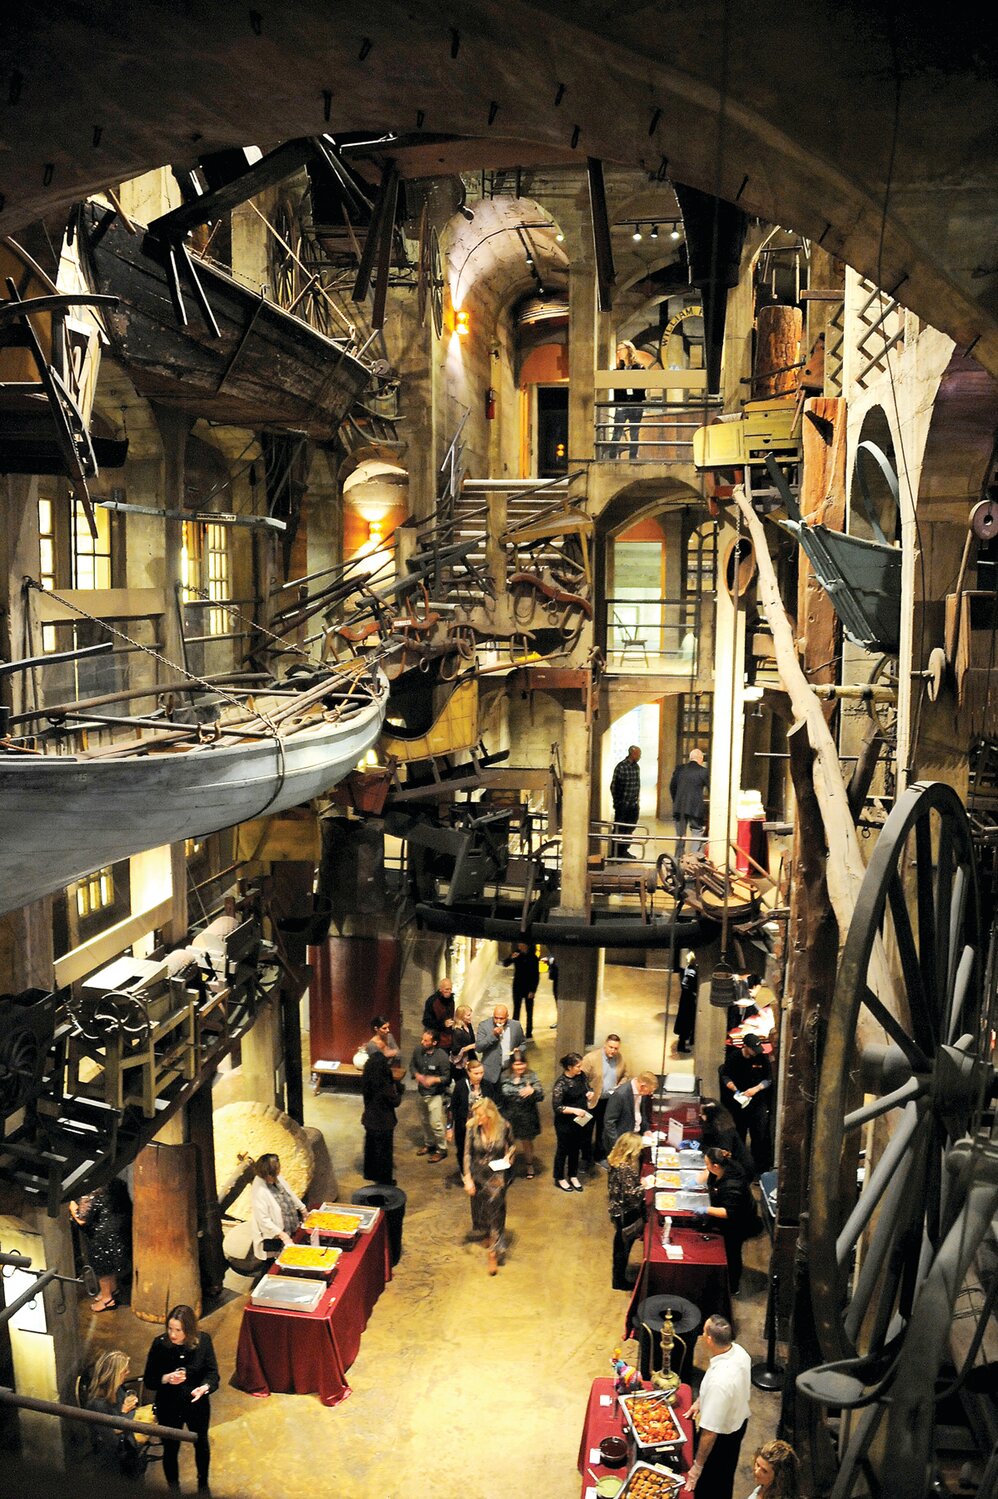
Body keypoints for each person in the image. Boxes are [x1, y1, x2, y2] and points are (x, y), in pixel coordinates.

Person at [143, 1304, 219, 1496]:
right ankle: (173, 1489)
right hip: (169, 1405)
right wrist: (166, 1378)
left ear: (189, 1330)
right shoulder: (159, 1345)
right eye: (170, 1328)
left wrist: (205, 1388)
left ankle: (203, 1486)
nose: (173, 1334)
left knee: (201, 1443)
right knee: (170, 1449)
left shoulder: (203, 1342)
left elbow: (212, 1374)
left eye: (178, 1330)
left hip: (196, 1405)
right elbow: (150, 1380)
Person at [682, 1314, 751, 1499]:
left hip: (721, 1438)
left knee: (711, 1485)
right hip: (739, 1423)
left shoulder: (719, 1383)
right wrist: (701, 1402)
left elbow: (709, 1433)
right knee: (726, 1476)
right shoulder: (739, 1351)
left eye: (704, 1332)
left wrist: (697, 1469)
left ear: (709, 1339)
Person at [697, 1145, 761, 1296]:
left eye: (707, 1164)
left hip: (738, 1223)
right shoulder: (723, 1167)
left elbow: (728, 1212)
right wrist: (695, 1180)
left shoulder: (733, 1184)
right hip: (726, 1215)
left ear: (716, 1166)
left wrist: (705, 1209)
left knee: (732, 1252)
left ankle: (733, 1286)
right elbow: (708, 1174)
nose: (706, 1167)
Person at [462, 1097, 515, 1275]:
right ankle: (486, 1233)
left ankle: (494, 1251)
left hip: (497, 1176)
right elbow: (467, 1154)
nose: (478, 1119)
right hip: (478, 1175)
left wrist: (509, 1157)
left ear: (491, 1115)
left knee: (497, 1212)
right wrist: (468, 1178)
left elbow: (513, 1146)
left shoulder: (504, 1126)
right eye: (476, 1115)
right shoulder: (472, 1128)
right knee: (481, 1211)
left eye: (481, 1116)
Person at [69, 1182, 129, 1311]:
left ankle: (107, 1299)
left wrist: (71, 1204)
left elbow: (82, 1218)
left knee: (102, 1268)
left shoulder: (92, 1192)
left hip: (101, 1235)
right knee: (110, 1264)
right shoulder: (115, 1184)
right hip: (117, 1230)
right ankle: (112, 1289)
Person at [719, 1032, 773, 1173]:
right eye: (753, 1049)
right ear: (746, 1047)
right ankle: (739, 1168)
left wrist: (755, 1089)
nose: (756, 1052)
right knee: (739, 1136)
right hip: (739, 1104)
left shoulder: (762, 1058)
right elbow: (725, 1076)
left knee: (759, 1137)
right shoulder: (734, 1057)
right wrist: (734, 1089)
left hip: (757, 1103)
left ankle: (759, 1170)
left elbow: (768, 1080)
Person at [84, 1348, 142, 1476]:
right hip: (113, 1462)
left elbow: (124, 1421)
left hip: (128, 1449)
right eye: (124, 1371)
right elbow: (111, 1439)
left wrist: (126, 1413)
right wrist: (125, 1412)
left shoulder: (118, 1389)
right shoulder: (97, 1404)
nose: (128, 1372)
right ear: (115, 1374)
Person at [580, 1033, 629, 1171]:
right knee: (586, 1131)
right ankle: (585, 1159)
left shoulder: (620, 1059)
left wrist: (620, 1086)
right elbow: (581, 1078)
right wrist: (587, 1091)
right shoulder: (591, 1058)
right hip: (592, 1102)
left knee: (604, 1131)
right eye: (611, 1047)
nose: (613, 1051)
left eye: (616, 1048)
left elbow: (625, 1074)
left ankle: (600, 1156)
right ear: (605, 1045)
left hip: (609, 1101)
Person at [606, 1132, 646, 1290]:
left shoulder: (615, 1162)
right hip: (625, 1213)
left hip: (617, 1210)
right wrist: (645, 1186)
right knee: (623, 1247)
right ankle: (619, 1281)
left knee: (620, 1245)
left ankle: (619, 1275)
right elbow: (631, 1195)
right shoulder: (625, 1168)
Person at [249, 1152, 306, 1260]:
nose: (278, 1173)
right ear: (266, 1174)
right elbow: (263, 1219)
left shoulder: (277, 1177)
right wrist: (283, 1236)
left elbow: (289, 1193)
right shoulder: (259, 1191)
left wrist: (303, 1209)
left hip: (289, 1226)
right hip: (275, 1235)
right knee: (279, 1261)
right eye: (274, 1172)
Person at [499, 1048, 544, 1178]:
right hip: (509, 1114)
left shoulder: (531, 1076)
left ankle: (529, 1165)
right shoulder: (505, 1076)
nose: (520, 1067)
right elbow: (501, 1094)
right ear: (511, 1065)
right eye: (517, 1064)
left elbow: (541, 1095)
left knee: (526, 1141)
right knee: (508, 1142)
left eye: (522, 1063)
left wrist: (533, 1091)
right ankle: (508, 1166)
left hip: (526, 1115)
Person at [361, 1046, 402, 1185]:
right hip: (384, 1122)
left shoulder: (367, 1081)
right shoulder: (385, 1086)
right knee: (384, 1153)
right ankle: (385, 1180)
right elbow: (395, 1102)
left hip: (369, 1120)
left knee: (371, 1148)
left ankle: (369, 1172)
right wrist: (399, 1092)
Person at [410, 1027, 451, 1162]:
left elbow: (447, 1077)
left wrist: (434, 1079)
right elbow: (412, 1065)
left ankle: (441, 1149)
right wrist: (417, 1075)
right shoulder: (418, 1051)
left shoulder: (442, 1057)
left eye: (426, 1040)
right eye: (423, 1039)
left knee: (436, 1124)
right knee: (424, 1122)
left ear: (434, 1043)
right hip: (421, 1093)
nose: (422, 1042)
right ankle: (429, 1144)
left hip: (435, 1095)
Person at [551, 1052, 590, 1191]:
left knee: (576, 1148)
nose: (580, 1068)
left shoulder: (581, 1076)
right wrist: (574, 1110)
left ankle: (573, 1174)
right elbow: (557, 1107)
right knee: (563, 1149)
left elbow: (587, 1087)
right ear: (569, 1067)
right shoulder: (561, 1084)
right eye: (578, 1066)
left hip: (580, 1119)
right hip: (565, 1123)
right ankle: (560, 1177)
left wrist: (589, 1093)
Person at [475, 1004, 525, 1101]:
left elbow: (523, 1043)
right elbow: (478, 1048)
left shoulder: (516, 1026)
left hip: (509, 1071)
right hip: (491, 1073)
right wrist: (493, 1035)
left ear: (507, 1016)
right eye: (496, 1018)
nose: (498, 1021)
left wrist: (519, 1050)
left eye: (501, 1019)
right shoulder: (484, 1026)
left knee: (508, 1102)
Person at [602, 1071, 657, 1157]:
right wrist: (617, 1145)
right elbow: (609, 1122)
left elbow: (642, 1114)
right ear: (642, 1086)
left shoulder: (642, 1093)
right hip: (622, 1142)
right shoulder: (620, 1094)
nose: (650, 1094)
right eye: (650, 1091)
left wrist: (646, 1130)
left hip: (635, 1139)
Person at [698, 1099, 755, 1181]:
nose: (700, 1116)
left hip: (739, 1172)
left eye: (702, 1114)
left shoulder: (723, 1131)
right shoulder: (715, 1125)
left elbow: (721, 1158)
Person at [452, 1057, 488, 1185]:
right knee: (463, 1150)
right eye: (476, 1073)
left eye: (481, 1073)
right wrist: (449, 1128)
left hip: (483, 1126)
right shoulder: (460, 1086)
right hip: (464, 1127)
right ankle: (465, 1173)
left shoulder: (487, 1086)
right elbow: (453, 1107)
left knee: (481, 1150)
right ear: (468, 1073)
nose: (479, 1076)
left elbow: (493, 1106)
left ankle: (480, 1173)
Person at [670, 747, 710, 860]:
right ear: (700, 759)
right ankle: (694, 859)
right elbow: (710, 787)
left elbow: (672, 786)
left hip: (679, 807)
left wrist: (676, 800)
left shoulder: (679, 769)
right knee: (697, 832)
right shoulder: (703, 771)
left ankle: (678, 859)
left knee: (680, 835)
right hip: (695, 807)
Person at [610, 340, 645, 459]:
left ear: (628, 350)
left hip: (635, 403)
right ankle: (612, 456)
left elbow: (641, 387)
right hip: (622, 402)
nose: (618, 352)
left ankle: (633, 457)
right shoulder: (619, 369)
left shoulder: (639, 367)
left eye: (620, 349)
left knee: (634, 433)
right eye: (617, 350)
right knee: (617, 431)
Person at [502, 940, 540, 1038]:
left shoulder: (533, 958)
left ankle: (529, 1032)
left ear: (527, 946)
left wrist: (533, 990)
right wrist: (511, 957)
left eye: (522, 944)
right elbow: (505, 964)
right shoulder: (517, 954)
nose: (519, 946)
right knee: (516, 1009)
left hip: (528, 987)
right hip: (518, 986)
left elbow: (536, 975)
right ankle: (515, 1031)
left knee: (529, 1011)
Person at [610, 744, 641, 859]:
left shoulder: (636, 767)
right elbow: (614, 786)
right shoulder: (621, 767)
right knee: (619, 829)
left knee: (629, 829)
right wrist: (618, 802)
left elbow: (636, 785)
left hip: (633, 805)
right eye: (638, 754)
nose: (639, 756)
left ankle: (624, 851)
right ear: (632, 754)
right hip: (623, 805)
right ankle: (615, 852)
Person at [422, 977, 455, 1053]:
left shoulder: (451, 1001)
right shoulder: (432, 1001)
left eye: (450, 989)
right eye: (447, 989)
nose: (449, 991)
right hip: (436, 1040)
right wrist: (443, 1024)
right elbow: (426, 1021)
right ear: (441, 989)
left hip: (448, 1039)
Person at [675, 950, 698, 1053]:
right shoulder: (692, 972)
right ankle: (682, 1044)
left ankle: (688, 1040)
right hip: (689, 1000)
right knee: (688, 1021)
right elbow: (688, 984)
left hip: (685, 999)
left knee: (686, 1021)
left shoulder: (688, 969)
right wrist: (694, 993)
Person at [449, 1002, 478, 1080]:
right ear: (461, 1016)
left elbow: (472, 1040)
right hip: (461, 1064)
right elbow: (455, 1051)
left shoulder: (468, 1025)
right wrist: (469, 1047)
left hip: (471, 1057)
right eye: (468, 1015)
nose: (470, 1017)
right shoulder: (457, 1031)